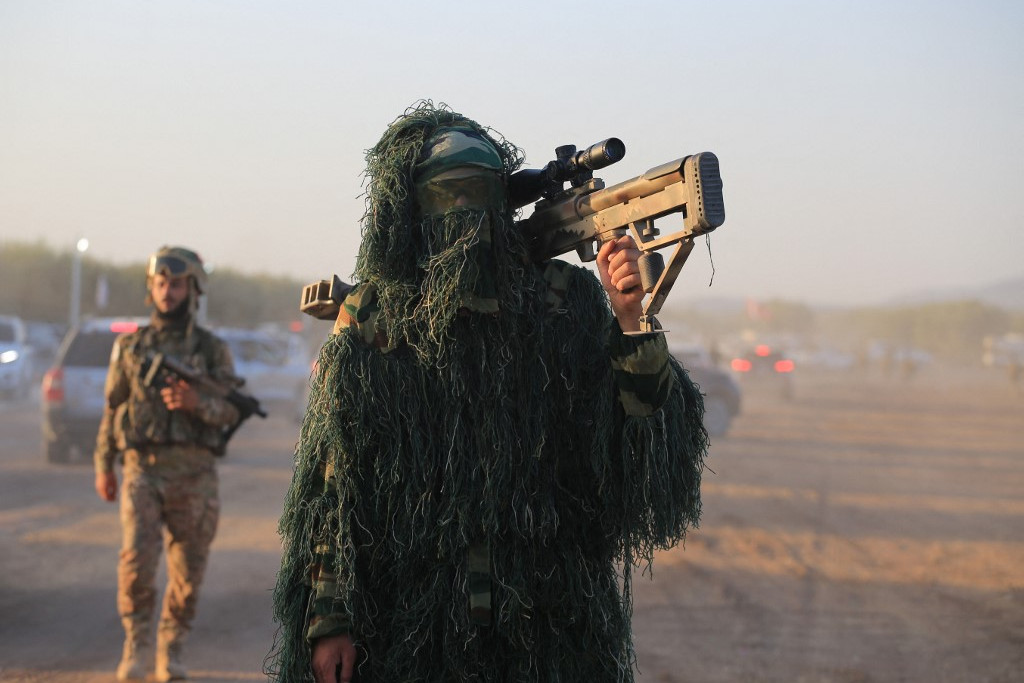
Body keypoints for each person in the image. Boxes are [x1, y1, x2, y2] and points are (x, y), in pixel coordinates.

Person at [267, 102, 709, 683]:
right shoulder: (377, 319)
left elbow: (632, 442)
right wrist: (331, 621)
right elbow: (336, 487)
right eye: (450, 201)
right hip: (411, 625)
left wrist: (631, 320)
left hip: (546, 619)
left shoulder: (560, 300)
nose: (467, 228)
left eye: (479, 201)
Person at [94, 246, 241, 681]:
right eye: (160, 283)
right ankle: (137, 644)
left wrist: (198, 405)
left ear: (193, 288)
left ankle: (171, 648)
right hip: (143, 469)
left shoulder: (212, 350)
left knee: (188, 570)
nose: (166, 291)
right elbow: (113, 407)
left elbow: (233, 409)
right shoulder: (130, 346)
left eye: (175, 284)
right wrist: (104, 463)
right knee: (136, 562)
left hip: (195, 474)